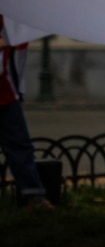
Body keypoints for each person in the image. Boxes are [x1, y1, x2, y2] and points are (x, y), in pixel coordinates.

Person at [0, 15, 53, 210]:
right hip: (6, 92)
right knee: (19, 145)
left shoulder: (12, 16)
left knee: (20, 145)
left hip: (5, 93)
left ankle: (33, 195)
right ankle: (33, 195)